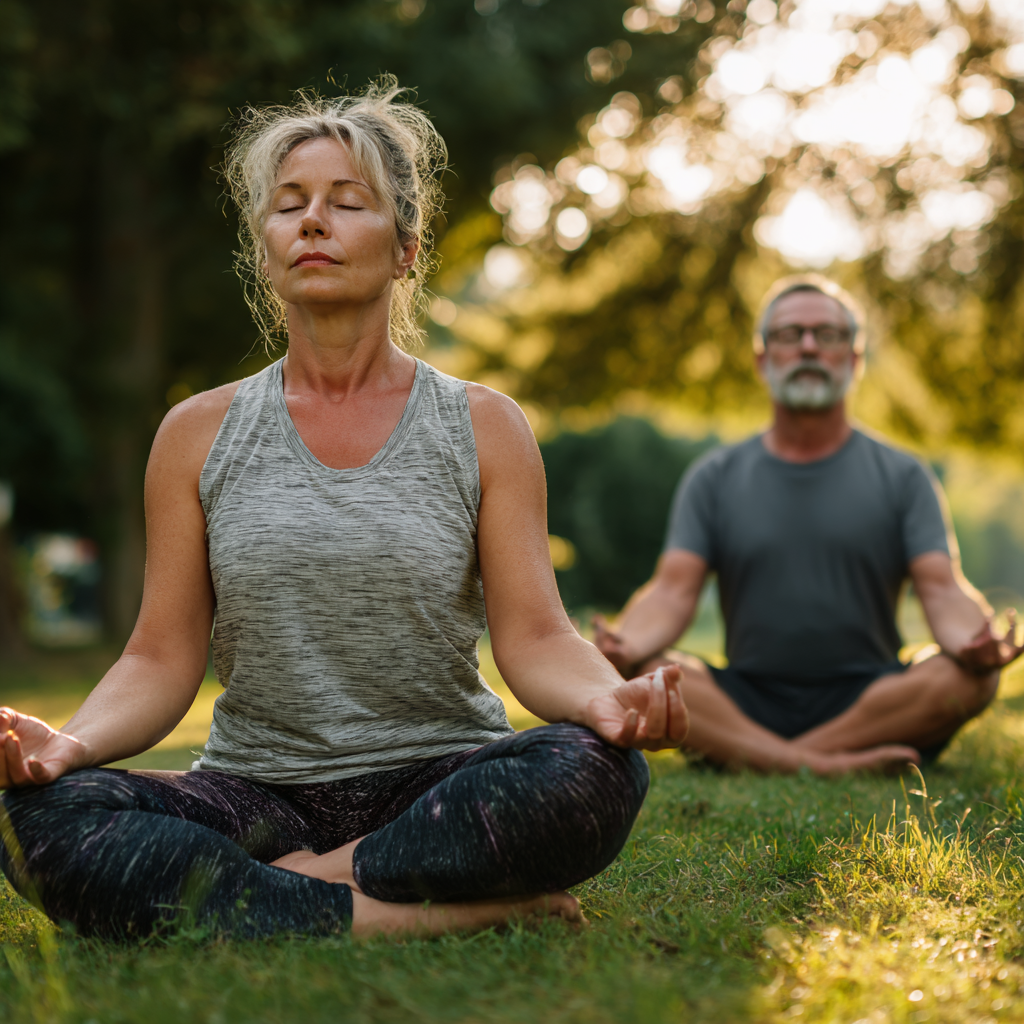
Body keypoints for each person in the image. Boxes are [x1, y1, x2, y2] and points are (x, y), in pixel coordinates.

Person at [0, 82, 689, 942]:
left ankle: (275, 895)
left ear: (406, 246)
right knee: (43, 816)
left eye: (345, 202)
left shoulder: (482, 425)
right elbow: (158, 655)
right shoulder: (195, 433)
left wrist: (610, 703)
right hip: (256, 792)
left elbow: (538, 639)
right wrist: (68, 748)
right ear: (266, 247)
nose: (312, 222)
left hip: (436, 781)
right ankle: (431, 916)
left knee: (592, 771)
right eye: (289, 206)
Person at [594, 275, 1022, 775]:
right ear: (762, 358)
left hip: (876, 698)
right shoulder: (713, 477)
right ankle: (821, 762)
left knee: (972, 678)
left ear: (855, 359)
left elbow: (942, 588)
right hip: (747, 698)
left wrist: (974, 639)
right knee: (650, 672)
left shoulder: (904, 475)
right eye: (789, 334)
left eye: (829, 335)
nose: (810, 347)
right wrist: (628, 643)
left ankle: (765, 758)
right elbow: (672, 590)